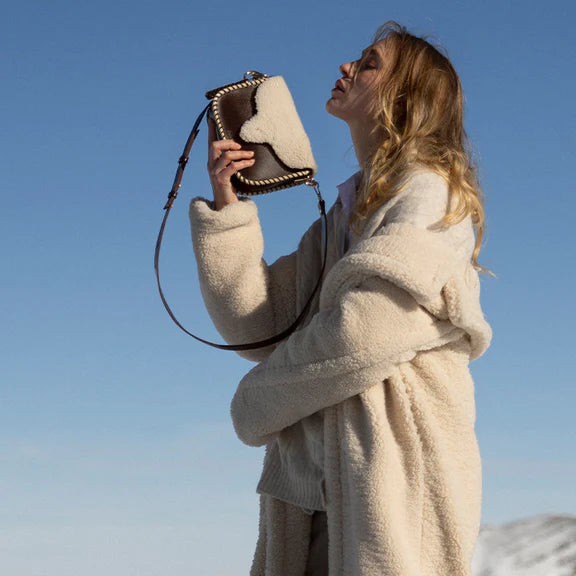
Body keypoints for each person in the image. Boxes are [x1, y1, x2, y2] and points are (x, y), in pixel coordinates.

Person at [189, 21, 492, 576]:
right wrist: (228, 206)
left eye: (369, 62)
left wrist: (255, 401)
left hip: (390, 487)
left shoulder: (432, 193)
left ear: (405, 97)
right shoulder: (344, 217)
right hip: (312, 493)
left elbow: (367, 330)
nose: (346, 67)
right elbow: (258, 323)